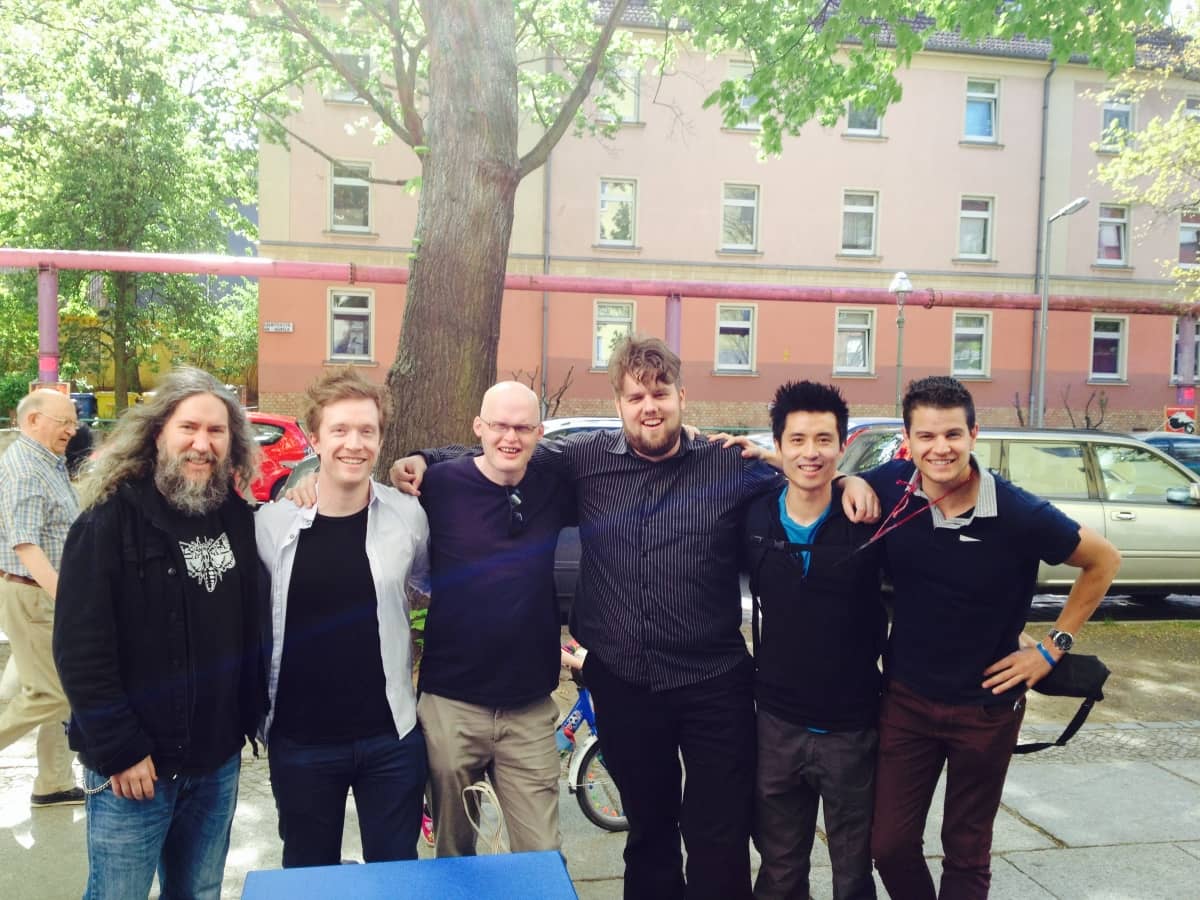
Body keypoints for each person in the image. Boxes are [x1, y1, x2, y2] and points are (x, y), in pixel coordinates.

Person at [393, 336, 878, 900]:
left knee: (718, 834)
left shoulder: (728, 463)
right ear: (619, 404)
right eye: (635, 396)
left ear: (681, 398)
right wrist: (424, 459)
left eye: (660, 394)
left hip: (712, 682)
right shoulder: (584, 458)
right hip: (625, 683)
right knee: (649, 831)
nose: (650, 407)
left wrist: (846, 479)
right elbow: (504, 448)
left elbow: (803, 477)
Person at [862, 376, 1120, 900]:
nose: (940, 448)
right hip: (906, 699)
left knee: (966, 851)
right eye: (926, 436)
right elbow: (826, 478)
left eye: (952, 434)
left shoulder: (1019, 512)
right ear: (907, 441)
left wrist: (1052, 647)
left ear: (974, 434)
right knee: (888, 845)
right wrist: (789, 464)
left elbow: (1104, 560)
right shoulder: (892, 486)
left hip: (987, 706)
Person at [53, 368, 267, 900]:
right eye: (188, 428)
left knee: (199, 892)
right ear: (158, 433)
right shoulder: (108, 521)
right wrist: (120, 748)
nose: (202, 444)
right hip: (136, 768)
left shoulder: (236, 518)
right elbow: (80, 648)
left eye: (216, 431)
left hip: (216, 760)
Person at [255, 369, 430, 867]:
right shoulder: (272, 525)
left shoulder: (408, 518)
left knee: (395, 877)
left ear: (381, 440)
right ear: (314, 438)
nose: (354, 444)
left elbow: (427, 582)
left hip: (390, 738)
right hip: (301, 742)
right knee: (309, 877)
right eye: (339, 430)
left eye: (366, 431)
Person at [415, 381, 573, 857]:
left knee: (542, 855)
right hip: (452, 705)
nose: (510, 437)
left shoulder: (554, 485)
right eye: (499, 425)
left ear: (539, 433)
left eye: (523, 427)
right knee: (453, 853)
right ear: (478, 427)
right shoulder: (438, 485)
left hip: (528, 709)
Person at [743, 381, 886, 900]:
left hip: (852, 728)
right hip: (776, 723)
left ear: (842, 445)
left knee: (853, 872)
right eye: (797, 440)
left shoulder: (871, 518)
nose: (811, 452)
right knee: (779, 870)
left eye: (824, 440)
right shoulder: (754, 514)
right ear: (779, 445)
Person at [0, 389, 83, 807]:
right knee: (51, 693)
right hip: (36, 596)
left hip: (39, 595)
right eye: (64, 421)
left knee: (57, 684)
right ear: (33, 420)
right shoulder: (25, 470)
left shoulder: (45, 461)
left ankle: (54, 782)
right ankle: (53, 780)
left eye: (74, 421)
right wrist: (68, 599)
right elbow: (26, 545)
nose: (72, 429)